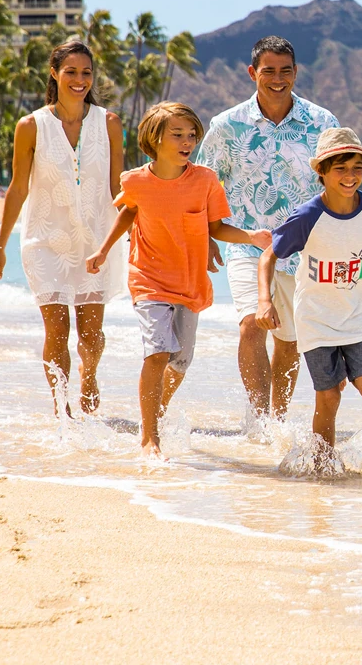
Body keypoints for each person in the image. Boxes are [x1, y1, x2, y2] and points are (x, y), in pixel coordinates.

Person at [84, 102, 271, 457]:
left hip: (189, 281)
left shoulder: (204, 180)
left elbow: (215, 227)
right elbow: (128, 213)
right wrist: (104, 250)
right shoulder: (135, 180)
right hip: (148, 278)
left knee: (180, 361)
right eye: (178, 134)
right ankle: (149, 436)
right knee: (158, 351)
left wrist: (250, 237)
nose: (188, 141)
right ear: (154, 138)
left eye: (192, 135)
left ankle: (156, 408)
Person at [195, 35, 339, 426]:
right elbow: (206, 183)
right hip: (246, 242)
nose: (278, 79)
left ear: (296, 72)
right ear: (252, 73)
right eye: (269, 71)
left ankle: (277, 420)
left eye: (286, 71)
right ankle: (260, 421)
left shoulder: (322, 122)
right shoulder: (227, 125)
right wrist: (207, 237)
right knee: (251, 324)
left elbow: (337, 184)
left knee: (288, 340)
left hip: (303, 247)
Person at [256, 127, 362, 452]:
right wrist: (265, 300)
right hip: (317, 319)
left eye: (357, 168)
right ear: (321, 171)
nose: (350, 176)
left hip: (360, 315)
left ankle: (343, 368)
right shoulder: (308, 216)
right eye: (340, 169)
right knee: (329, 396)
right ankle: (323, 462)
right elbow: (268, 256)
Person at [0, 39, 126, 415]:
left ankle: (90, 374)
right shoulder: (31, 126)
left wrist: (139, 225)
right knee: (57, 330)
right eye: (71, 72)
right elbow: (18, 188)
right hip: (45, 240)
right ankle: (61, 407)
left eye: (86, 73)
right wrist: (0, 247)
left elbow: (117, 189)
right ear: (54, 73)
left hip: (96, 241)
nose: (79, 80)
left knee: (92, 337)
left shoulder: (109, 124)